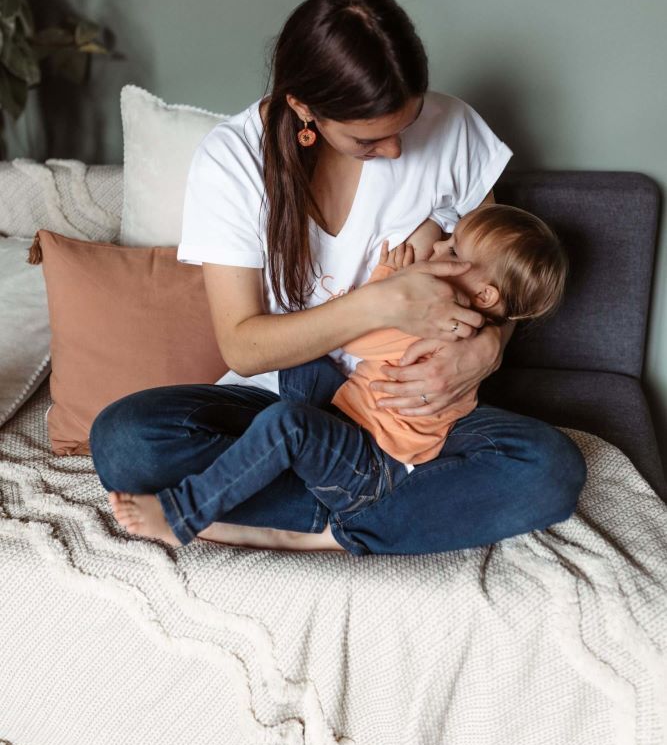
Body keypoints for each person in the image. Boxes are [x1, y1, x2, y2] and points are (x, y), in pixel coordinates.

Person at [89, 0, 587, 556]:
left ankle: (319, 525)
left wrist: (488, 348)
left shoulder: (452, 130)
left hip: (410, 412)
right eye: (370, 140)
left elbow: (499, 273)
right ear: (306, 109)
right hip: (289, 399)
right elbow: (244, 348)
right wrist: (381, 302)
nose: (398, 150)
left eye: (406, 125)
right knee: (125, 443)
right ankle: (381, 512)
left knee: (550, 468)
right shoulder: (233, 162)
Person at [103, 202, 569, 549]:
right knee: (126, 438)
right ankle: (303, 490)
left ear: (483, 296)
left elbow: (358, 342)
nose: (440, 245)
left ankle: (188, 513)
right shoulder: (456, 311)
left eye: (453, 249)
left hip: (371, 465)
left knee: (287, 424)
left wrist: (391, 287)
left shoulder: (439, 325)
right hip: (346, 415)